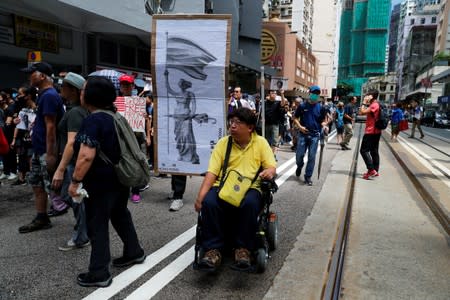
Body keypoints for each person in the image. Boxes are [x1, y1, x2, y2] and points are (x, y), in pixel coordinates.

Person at [68, 76, 145, 287]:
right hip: (120, 178)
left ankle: (99, 272)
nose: (81, 93)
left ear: (92, 95)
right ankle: (134, 251)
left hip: (100, 183)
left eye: (84, 90)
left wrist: (74, 182)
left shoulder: (93, 120)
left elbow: (85, 156)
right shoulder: (114, 116)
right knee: (120, 215)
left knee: (97, 224)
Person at [194, 107, 276, 271]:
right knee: (210, 202)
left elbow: (271, 167)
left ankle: (243, 249)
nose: (233, 126)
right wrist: (200, 197)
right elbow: (212, 172)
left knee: (251, 203)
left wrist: (269, 171)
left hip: (251, 187)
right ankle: (213, 250)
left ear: (250, 127)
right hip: (225, 185)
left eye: (238, 123)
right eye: (231, 122)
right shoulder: (223, 143)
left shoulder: (261, 143)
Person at [18, 62, 65, 233]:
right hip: (39, 149)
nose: (29, 76)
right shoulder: (43, 95)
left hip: (46, 150)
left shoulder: (50, 96)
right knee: (37, 184)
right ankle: (41, 217)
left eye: (32, 73)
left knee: (59, 188)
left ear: (42, 76)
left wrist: (51, 154)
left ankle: (84, 225)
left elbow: (51, 127)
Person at [51, 72, 90, 251]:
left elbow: (72, 142)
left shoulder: (75, 112)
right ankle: (83, 230)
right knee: (75, 198)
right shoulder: (78, 109)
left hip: (73, 162)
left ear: (73, 90)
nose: (61, 89)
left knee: (74, 198)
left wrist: (60, 169)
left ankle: (81, 236)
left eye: (64, 86)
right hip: (75, 162)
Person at [119, 74, 148, 203]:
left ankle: (135, 191)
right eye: (123, 84)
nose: (125, 87)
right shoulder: (116, 102)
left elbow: (146, 119)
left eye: (128, 85)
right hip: (122, 138)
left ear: (132, 86)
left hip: (136, 138)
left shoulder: (139, 101)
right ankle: (123, 190)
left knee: (136, 164)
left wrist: (144, 116)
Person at [292, 85, 329, 186]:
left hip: (315, 136)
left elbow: (322, 121)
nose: (315, 95)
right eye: (314, 93)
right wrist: (300, 127)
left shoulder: (321, 108)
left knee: (312, 157)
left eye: (317, 94)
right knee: (299, 156)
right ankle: (299, 166)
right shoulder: (302, 106)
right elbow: (295, 117)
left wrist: (324, 126)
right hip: (303, 134)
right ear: (309, 93)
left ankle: (308, 177)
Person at [164, 70, 200, 164]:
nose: (181, 85)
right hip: (177, 116)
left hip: (186, 116)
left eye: (182, 84)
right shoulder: (176, 93)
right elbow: (168, 88)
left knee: (186, 135)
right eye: (180, 84)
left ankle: (190, 155)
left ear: (185, 85)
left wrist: (192, 113)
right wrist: (166, 76)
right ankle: (181, 154)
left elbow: (194, 104)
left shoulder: (190, 94)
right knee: (178, 136)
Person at [10, 86, 37, 185]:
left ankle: (34, 179)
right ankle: (21, 178)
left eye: (20, 94)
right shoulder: (21, 107)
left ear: (28, 96)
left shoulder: (37, 108)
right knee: (21, 157)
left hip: (33, 138)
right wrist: (14, 138)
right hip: (22, 137)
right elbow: (17, 123)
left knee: (31, 158)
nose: (18, 96)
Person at [358, 89, 381, 180]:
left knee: (363, 151)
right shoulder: (375, 104)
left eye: (368, 95)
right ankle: (374, 171)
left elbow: (361, 112)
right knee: (374, 151)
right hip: (376, 132)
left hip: (371, 132)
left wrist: (364, 102)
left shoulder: (374, 105)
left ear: (371, 96)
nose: (366, 96)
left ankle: (371, 170)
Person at [264, 89, 287, 159]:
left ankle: (273, 156)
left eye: (275, 93)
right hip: (266, 124)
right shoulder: (265, 102)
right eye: (272, 93)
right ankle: (268, 155)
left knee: (274, 141)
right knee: (267, 141)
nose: (274, 94)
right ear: (269, 94)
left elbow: (283, 103)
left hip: (275, 125)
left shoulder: (277, 103)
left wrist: (282, 94)